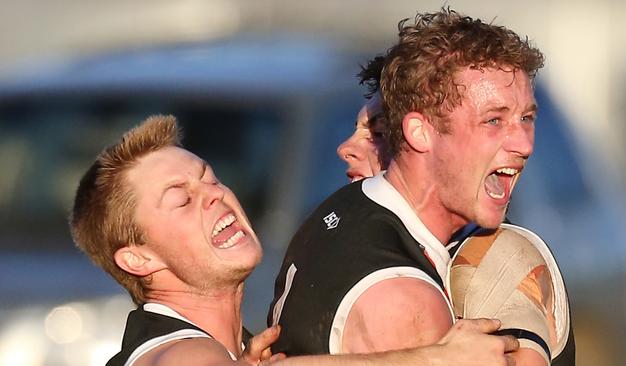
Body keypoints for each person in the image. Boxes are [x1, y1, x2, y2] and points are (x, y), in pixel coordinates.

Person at [70, 115, 521, 366]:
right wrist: (437, 359)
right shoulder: (178, 353)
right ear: (138, 258)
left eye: (209, 179)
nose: (213, 196)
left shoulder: (234, 350)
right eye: (181, 200)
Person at [269, 8, 572, 366]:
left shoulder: (346, 205)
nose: (524, 143)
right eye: (493, 120)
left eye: (526, 118)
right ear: (419, 132)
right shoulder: (407, 302)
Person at [337, 44, 576, 366]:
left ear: (422, 137)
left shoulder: (486, 255)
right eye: (494, 121)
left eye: (379, 133)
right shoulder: (357, 245)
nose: (345, 148)